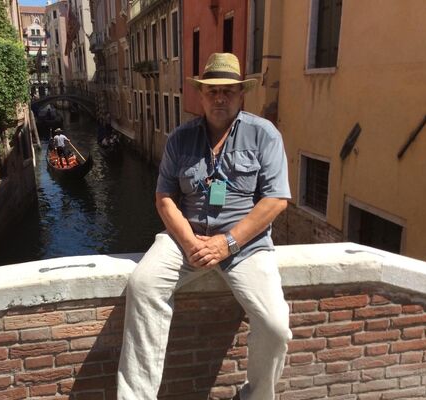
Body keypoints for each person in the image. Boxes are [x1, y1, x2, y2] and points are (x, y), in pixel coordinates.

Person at [117, 53, 292, 400]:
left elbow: (275, 201)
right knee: (143, 286)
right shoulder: (179, 139)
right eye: (212, 91)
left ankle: (256, 396)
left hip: (246, 245)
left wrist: (227, 243)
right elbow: (164, 198)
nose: (220, 98)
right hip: (185, 239)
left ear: (241, 94)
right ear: (201, 94)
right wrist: (189, 242)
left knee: (275, 326)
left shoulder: (264, 135)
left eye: (228, 90)